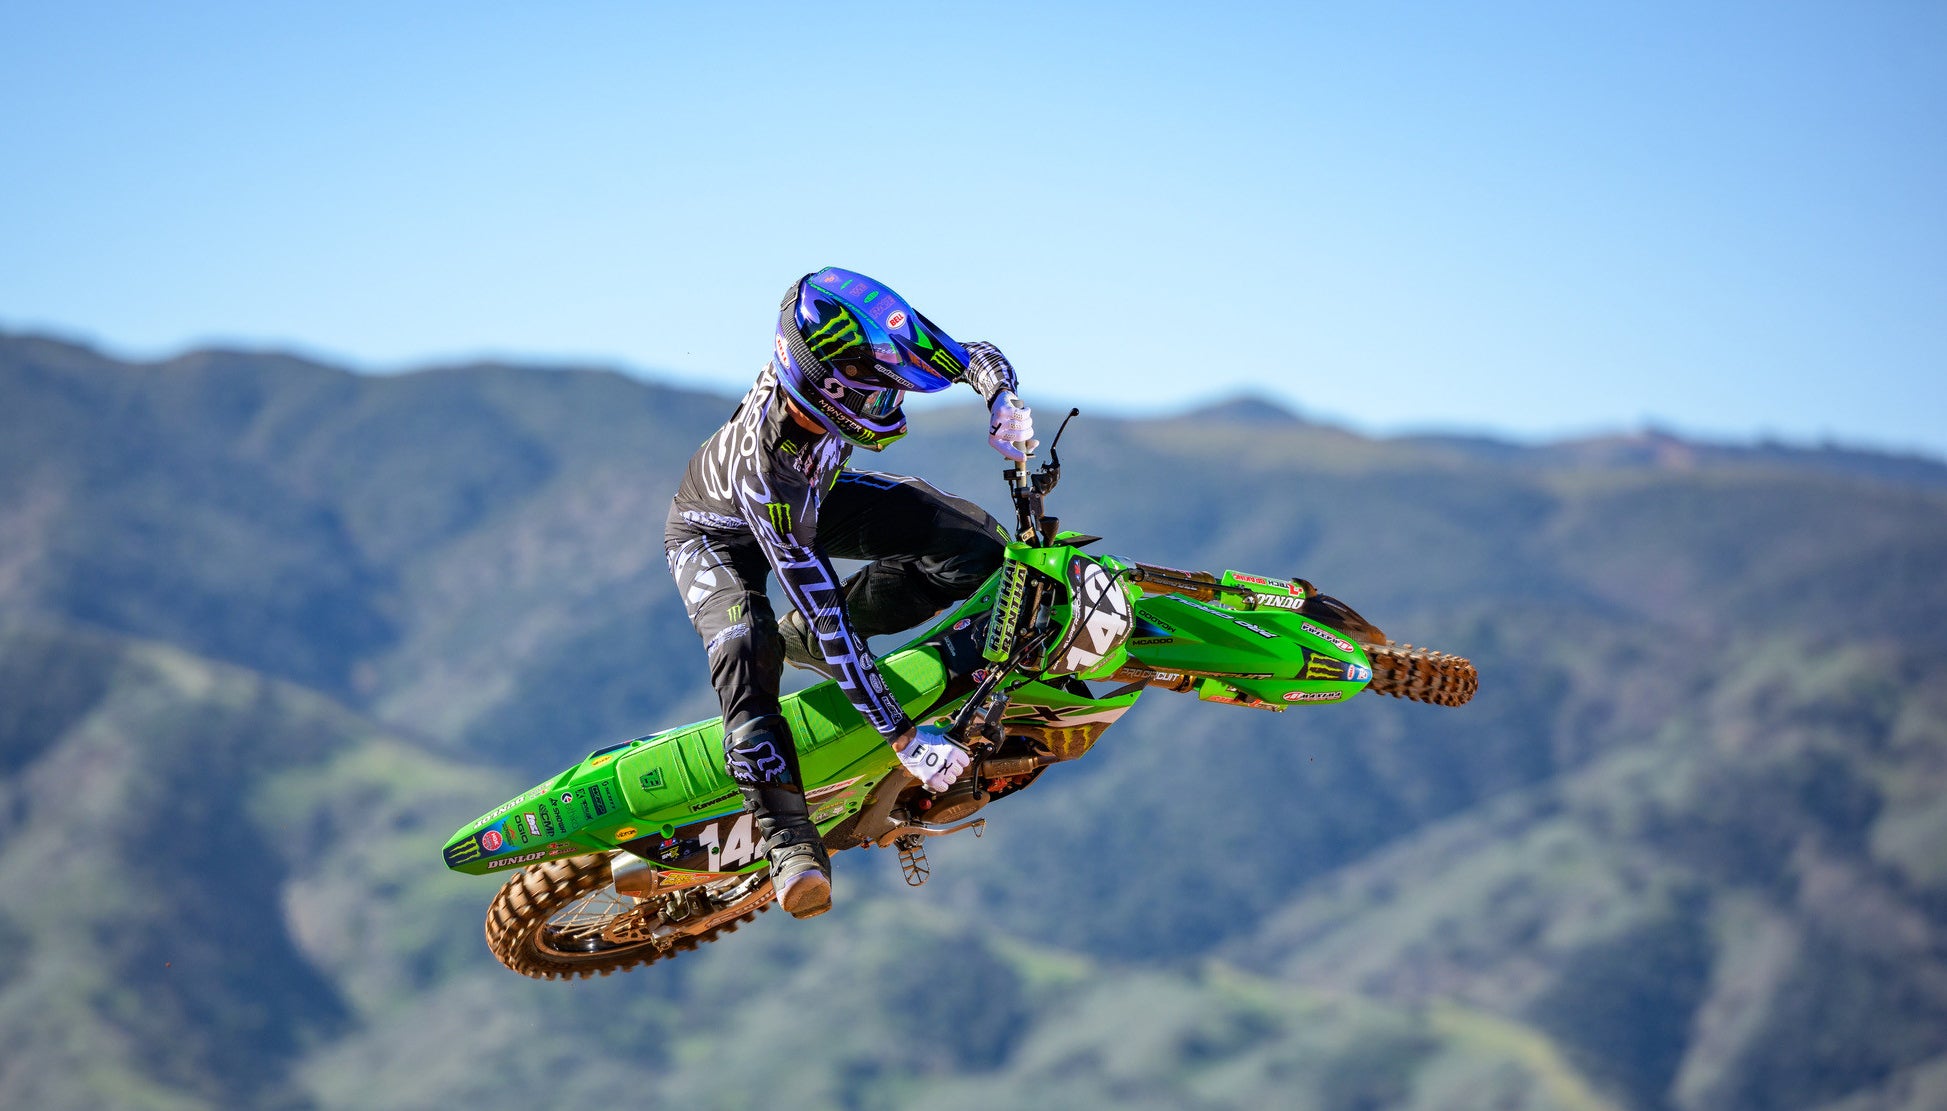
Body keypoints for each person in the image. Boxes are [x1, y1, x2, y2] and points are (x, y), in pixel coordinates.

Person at [664, 267, 1038, 919]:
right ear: (825, 393)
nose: (890, 399)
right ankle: (788, 842)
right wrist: (903, 737)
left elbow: (968, 354)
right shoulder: (770, 468)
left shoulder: (848, 349)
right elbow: (825, 607)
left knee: (974, 544)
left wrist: (1001, 396)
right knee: (748, 647)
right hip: (716, 534)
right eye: (875, 392)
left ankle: (807, 648)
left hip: (816, 495)